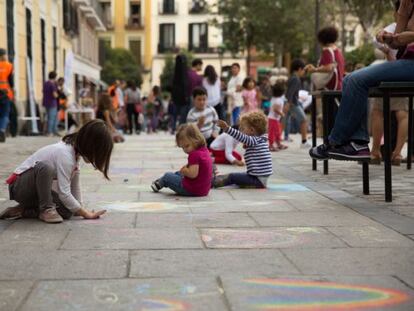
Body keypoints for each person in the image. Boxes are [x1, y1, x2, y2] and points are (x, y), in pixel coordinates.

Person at [310, 0, 414, 161]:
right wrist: (402, 17)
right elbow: (396, 44)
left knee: (356, 80)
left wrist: (405, 36)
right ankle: (356, 143)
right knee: (351, 79)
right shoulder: (407, 8)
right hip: (405, 62)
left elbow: (403, 39)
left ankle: (336, 142)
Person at [1, 120, 112, 223]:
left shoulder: (74, 156)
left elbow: (75, 186)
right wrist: (86, 214)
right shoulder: (65, 154)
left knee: (68, 210)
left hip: (35, 192)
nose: (96, 158)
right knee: (45, 167)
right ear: (90, 145)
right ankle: (46, 209)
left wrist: (80, 209)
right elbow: (64, 193)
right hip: (20, 187)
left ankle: (23, 210)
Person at [213, 111, 273, 189]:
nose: (241, 131)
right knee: (239, 176)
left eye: (243, 129)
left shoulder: (254, 140)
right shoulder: (260, 140)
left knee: (232, 177)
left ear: (251, 130)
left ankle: (212, 183)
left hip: (257, 179)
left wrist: (227, 128)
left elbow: (241, 137)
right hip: (260, 178)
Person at [151, 123, 213, 196]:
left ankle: (159, 184)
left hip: (192, 189)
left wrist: (186, 171)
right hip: (203, 190)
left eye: (187, 146)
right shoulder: (204, 151)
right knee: (178, 173)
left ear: (196, 139)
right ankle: (162, 181)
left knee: (167, 176)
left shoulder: (194, 154)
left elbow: (193, 174)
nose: (185, 150)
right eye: (183, 147)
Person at [305, 26, 345, 91]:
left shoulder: (327, 51)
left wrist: (314, 69)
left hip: (328, 89)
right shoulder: (338, 52)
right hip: (338, 87)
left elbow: (328, 68)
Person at [285, 59, 311, 149]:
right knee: (303, 120)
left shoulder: (292, 77)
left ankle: (273, 140)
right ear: (299, 69)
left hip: (292, 102)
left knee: (283, 122)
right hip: (293, 103)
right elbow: (290, 92)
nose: (304, 72)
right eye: (304, 70)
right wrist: (288, 104)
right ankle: (304, 141)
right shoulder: (295, 79)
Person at [269, 83, 288, 151]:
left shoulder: (276, 98)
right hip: (273, 119)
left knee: (277, 131)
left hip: (274, 119)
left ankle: (278, 143)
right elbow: (275, 109)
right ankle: (271, 145)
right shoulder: (277, 100)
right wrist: (281, 113)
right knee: (273, 132)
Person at [172, 54, 190, 125]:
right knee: (183, 115)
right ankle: (180, 126)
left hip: (176, 97)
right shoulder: (185, 72)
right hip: (183, 98)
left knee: (175, 114)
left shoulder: (175, 72)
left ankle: (174, 127)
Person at [0, 48, 13, 143]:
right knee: (5, 113)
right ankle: (2, 130)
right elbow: (11, 82)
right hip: (5, 93)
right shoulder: (9, 66)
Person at [43, 71, 59, 136]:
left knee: (48, 117)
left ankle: (50, 131)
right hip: (52, 103)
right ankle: (50, 132)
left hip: (46, 102)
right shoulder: (53, 84)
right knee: (52, 118)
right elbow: (54, 95)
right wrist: (58, 96)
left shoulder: (46, 83)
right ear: (55, 77)